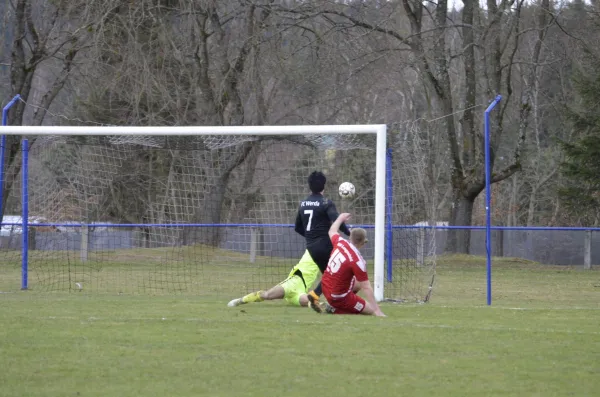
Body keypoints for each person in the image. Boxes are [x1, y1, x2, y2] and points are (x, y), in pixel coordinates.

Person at [227, 171, 350, 309]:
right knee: (332, 274)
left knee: (272, 295)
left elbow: (298, 227)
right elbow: (334, 218)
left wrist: (311, 236)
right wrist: (348, 232)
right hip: (314, 258)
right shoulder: (326, 203)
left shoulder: (303, 204)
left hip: (298, 276)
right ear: (323, 186)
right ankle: (332, 299)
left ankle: (240, 300)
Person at [318, 212, 385, 316]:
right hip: (338, 297)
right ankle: (336, 308)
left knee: (358, 281)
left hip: (325, 286)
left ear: (350, 238)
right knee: (370, 310)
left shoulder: (340, 242)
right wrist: (376, 310)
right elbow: (366, 287)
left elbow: (332, 231)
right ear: (362, 243)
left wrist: (340, 218)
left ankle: (338, 304)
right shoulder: (357, 261)